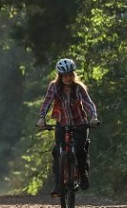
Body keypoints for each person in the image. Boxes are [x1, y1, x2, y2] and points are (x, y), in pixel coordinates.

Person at [35, 58, 98, 196]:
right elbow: (47, 103)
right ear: (60, 76)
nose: (68, 78)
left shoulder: (79, 88)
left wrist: (93, 116)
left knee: (80, 150)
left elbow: (88, 103)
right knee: (57, 152)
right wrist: (41, 118)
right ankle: (58, 184)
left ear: (73, 75)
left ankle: (83, 174)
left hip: (80, 123)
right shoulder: (54, 87)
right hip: (62, 123)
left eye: (70, 75)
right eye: (65, 75)